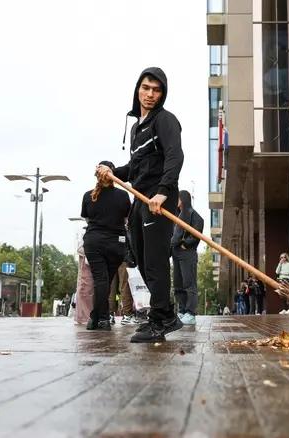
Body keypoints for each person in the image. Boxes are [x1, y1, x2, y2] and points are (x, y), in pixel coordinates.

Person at [97, 67, 184, 343]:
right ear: (138, 89)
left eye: (156, 90)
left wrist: (163, 191)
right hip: (141, 199)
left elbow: (174, 156)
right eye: (146, 88)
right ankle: (165, 313)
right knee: (140, 258)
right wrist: (110, 170)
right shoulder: (137, 128)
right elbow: (133, 169)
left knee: (156, 260)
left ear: (162, 94)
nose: (150, 94)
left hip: (158, 199)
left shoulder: (165, 121)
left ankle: (161, 318)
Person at [82, 160, 131, 331]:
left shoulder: (88, 196)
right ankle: (100, 318)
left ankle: (97, 317)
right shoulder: (123, 196)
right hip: (116, 243)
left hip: (93, 241)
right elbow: (126, 219)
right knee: (105, 280)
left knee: (101, 281)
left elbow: (87, 219)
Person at [172, 190, 204, 325]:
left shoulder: (194, 215)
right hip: (176, 253)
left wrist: (186, 244)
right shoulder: (175, 215)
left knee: (189, 283)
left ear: (183, 199)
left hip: (188, 253)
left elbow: (197, 232)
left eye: (178, 198)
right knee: (178, 283)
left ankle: (191, 313)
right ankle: (182, 310)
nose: (176, 201)